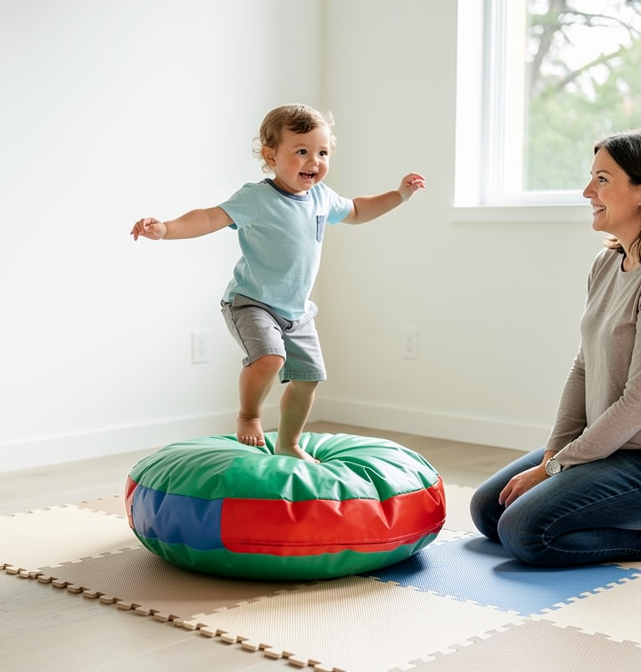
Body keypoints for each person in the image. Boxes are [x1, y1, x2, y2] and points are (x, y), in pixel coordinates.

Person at [470, 128, 641, 566]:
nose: (588, 191)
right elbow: (583, 366)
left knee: (524, 532)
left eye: (603, 180)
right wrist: (555, 453)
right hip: (610, 447)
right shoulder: (608, 261)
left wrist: (552, 471)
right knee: (488, 509)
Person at [131, 103, 425, 463]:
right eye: (301, 152)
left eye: (322, 152)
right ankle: (249, 415)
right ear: (271, 156)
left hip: (297, 311)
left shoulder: (321, 196)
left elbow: (359, 210)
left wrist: (399, 195)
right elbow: (209, 217)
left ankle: (288, 443)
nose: (313, 161)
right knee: (269, 358)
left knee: (308, 378)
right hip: (251, 302)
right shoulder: (257, 197)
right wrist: (165, 230)